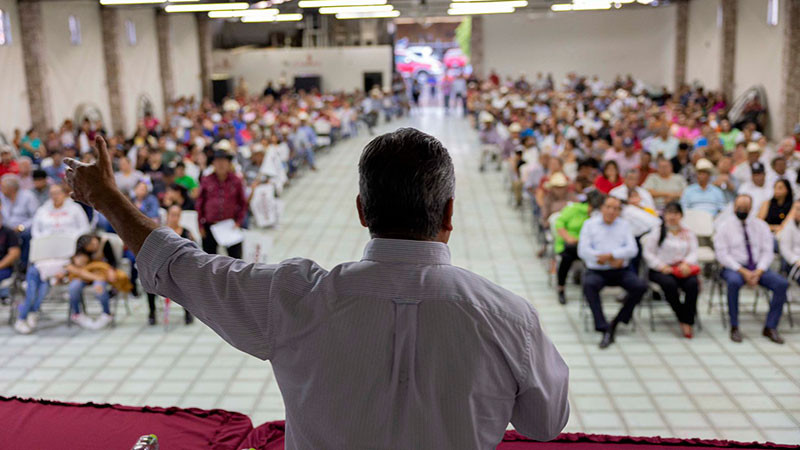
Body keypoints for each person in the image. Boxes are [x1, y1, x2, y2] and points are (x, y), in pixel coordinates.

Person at [65, 132, 570, 448]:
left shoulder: (293, 298)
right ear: (449, 214)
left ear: (361, 211)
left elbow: (178, 266)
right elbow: (544, 424)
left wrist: (106, 198)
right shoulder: (508, 318)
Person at [16, 184, 91, 333]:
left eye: (57, 193)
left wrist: (68, 241)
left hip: (65, 257)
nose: (54, 196)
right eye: (52, 193)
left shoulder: (75, 210)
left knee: (43, 284)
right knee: (33, 278)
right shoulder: (43, 210)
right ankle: (28, 314)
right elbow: (36, 232)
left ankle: (29, 314)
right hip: (45, 255)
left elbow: (84, 231)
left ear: (64, 194)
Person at [714, 194, 786, 344]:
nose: (742, 210)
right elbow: (722, 254)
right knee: (733, 282)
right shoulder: (724, 227)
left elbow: (768, 251)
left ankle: (770, 326)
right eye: (739, 208)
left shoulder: (760, 226)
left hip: (758, 267)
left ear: (751, 208)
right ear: (734, 207)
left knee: (781, 284)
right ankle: (734, 326)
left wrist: (759, 271)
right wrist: (743, 271)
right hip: (735, 267)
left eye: (745, 208)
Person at [578, 196, 647, 349]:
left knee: (640, 286)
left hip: (620, 270)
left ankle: (618, 320)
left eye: (616, 208)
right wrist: (605, 258)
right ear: (602, 208)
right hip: (597, 269)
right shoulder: (590, 225)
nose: (611, 211)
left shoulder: (624, 225)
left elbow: (632, 249)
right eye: (608, 207)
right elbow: (583, 250)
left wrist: (613, 255)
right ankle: (602, 325)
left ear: (619, 211)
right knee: (589, 284)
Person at [642, 202, 699, 338]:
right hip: (662, 269)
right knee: (669, 285)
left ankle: (687, 319)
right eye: (669, 213)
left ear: (681, 215)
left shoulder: (687, 232)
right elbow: (648, 253)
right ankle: (683, 318)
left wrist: (686, 263)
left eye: (675, 213)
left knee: (693, 284)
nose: (672, 217)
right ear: (664, 215)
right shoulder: (658, 231)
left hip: (682, 268)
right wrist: (661, 266)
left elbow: (694, 251)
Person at [554, 190, 604, 305]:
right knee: (567, 255)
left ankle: (591, 289)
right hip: (570, 244)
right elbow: (559, 223)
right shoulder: (574, 209)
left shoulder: (599, 217)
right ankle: (561, 287)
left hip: (589, 246)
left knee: (596, 257)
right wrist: (568, 237)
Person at [196, 151, 247, 258]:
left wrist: (238, 221)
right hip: (210, 225)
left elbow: (243, 203)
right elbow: (200, 203)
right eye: (218, 161)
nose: (221, 164)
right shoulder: (206, 180)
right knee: (208, 260)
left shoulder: (236, 181)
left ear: (229, 163)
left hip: (230, 224)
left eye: (224, 161)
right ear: (213, 164)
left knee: (236, 260)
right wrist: (200, 225)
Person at [1, 174, 39, 268]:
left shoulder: (28, 196)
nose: (1, 189)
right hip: (5, 228)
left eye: (2, 187)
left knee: (27, 235)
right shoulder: (2, 197)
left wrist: (21, 227)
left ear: (11, 188)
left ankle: (23, 265)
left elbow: (36, 217)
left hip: (23, 228)